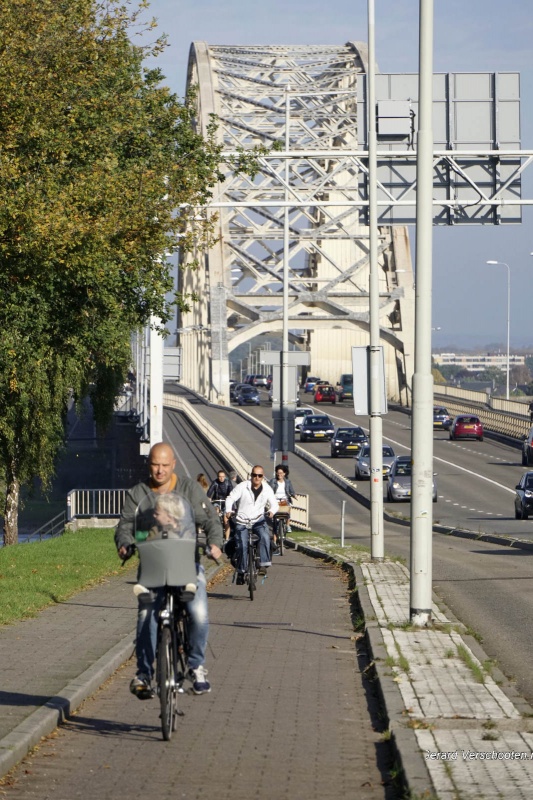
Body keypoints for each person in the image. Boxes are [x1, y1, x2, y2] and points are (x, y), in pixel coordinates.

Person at [115, 442, 223, 697]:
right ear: (148, 464)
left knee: (198, 612)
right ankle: (143, 673)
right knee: (146, 617)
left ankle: (196, 666)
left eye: (165, 465)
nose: (160, 470)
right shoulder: (139, 493)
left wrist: (215, 543)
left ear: (173, 464)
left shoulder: (189, 489)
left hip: (186, 564)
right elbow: (125, 525)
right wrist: (124, 544)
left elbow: (210, 520)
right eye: (155, 464)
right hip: (153, 567)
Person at [224, 465, 279, 583]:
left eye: (260, 476)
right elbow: (230, 498)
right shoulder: (242, 486)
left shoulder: (267, 488)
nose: (257, 478)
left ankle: (263, 565)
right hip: (242, 520)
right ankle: (241, 570)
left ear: (263, 477)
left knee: (264, 536)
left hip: (258, 519)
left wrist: (271, 512)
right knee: (242, 544)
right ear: (251, 475)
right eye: (254, 475)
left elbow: (274, 504)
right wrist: (228, 510)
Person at [269, 464, 296, 539]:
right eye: (278, 473)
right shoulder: (273, 481)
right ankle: (274, 540)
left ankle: (287, 525)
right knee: (275, 521)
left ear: (284, 473)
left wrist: (294, 495)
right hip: (275, 501)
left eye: (281, 473)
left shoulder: (287, 482)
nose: (279, 475)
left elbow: (291, 491)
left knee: (288, 507)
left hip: (284, 500)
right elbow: (269, 490)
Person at [207, 469, 234, 539]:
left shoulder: (228, 483)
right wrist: (209, 497)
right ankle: (215, 530)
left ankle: (227, 538)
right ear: (217, 477)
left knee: (226, 519)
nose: (221, 478)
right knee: (216, 511)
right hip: (217, 501)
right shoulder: (215, 482)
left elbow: (232, 493)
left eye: (223, 476)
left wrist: (230, 498)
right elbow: (209, 492)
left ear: (225, 477)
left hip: (226, 502)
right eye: (220, 476)